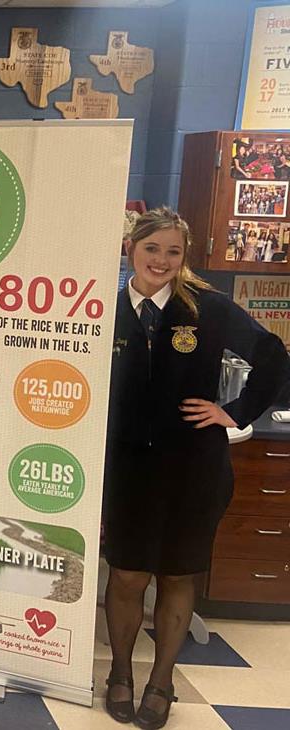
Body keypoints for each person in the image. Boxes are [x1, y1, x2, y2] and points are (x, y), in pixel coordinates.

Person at [102, 208, 290, 728]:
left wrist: (234, 412)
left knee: (178, 575)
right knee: (126, 575)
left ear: (184, 258)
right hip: (127, 471)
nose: (161, 260)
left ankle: (161, 681)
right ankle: (120, 673)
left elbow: (274, 356)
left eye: (173, 251)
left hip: (193, 469)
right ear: (130, 250)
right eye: (152, 248)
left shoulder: (206, 308)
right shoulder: (102, 307)